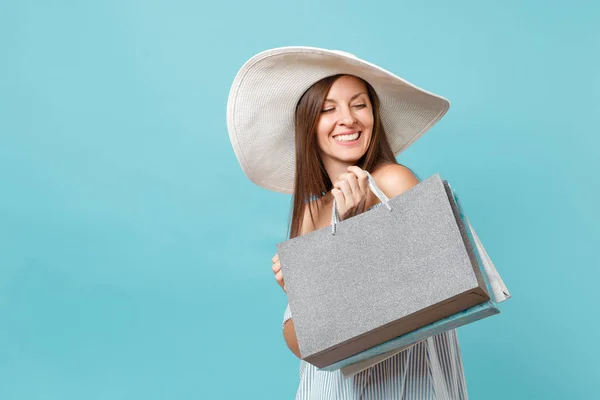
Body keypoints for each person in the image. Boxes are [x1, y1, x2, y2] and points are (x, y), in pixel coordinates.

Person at [227, 47, 468, 399]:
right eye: (328, 109)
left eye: (359, 105)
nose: (348, 120)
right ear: (308, 125)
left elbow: (440, 291)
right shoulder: (309, 215)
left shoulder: (394, 181)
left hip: (404, 383)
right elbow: (309, 346)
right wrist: (300, 293)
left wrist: (354, 238)